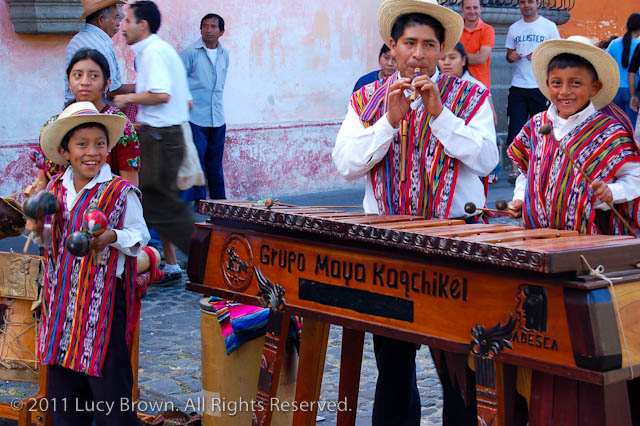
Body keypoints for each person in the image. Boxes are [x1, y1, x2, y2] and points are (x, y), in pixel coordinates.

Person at [332, 0, 498, 424]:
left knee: (459, 367)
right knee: (393, 365)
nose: (419, 54)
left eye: (429, 44)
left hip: (454, 248)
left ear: (442, 48)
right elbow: (347, 163)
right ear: (393, 45)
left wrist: (440, 114)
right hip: (391, 251)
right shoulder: (367, 99)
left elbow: (486, 159)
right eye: (410, 43)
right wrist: (388, 122)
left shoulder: (471, 96)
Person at [26, 101, 150, 425]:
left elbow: (141, 235)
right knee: (66, 411)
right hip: (60, 312)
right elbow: (48, 242)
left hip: (103, 315)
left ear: (109, 149)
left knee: (114, 412)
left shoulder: (121, 192)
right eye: (82, 144)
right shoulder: (54, 191)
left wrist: (112, 236)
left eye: (100, 144)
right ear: (66, 151)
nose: (92, 152)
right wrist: (37, 228)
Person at [507, 36, 640, 236]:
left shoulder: (610, 132)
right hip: (536, 235)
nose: (564, 92)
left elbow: (635, 176)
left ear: (595, 87)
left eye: (576, 83)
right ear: (547, 84)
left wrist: (612, 192)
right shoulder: (536, 125)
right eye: (556, 83)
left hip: (588, 240)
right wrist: (520, 197)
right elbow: (527, 173)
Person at [115, 0, 196, 256]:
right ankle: (195, 254)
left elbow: (162, 95)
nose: (122, 26)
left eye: (127, 21)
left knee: (158, 204)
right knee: (153, 202)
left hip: (163, 138)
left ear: (143, 24)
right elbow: (187, 102)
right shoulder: (157, 50)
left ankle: (202, 254)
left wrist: (127, 98)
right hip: (162, 135)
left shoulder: (152, 52)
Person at [33, 49, 140, 192]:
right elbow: (43, 181)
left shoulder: (120, 125)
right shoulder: (53, 125)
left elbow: (130, 185)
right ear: (69, 82)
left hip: (106, 206)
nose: (84, 82)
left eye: (94, 76)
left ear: (107, 83)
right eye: (77, 75)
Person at [505, 0, 560, 184]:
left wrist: (540, 56)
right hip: (518, 85)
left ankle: (542, 165)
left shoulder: (549, 26)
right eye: (522, 2)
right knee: (516, 127)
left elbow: (557, 55)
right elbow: (509, 54)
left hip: (541, 86)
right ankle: (515, 170)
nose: (526, 5)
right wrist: (511, 56)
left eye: (530, 1)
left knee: (542, 128)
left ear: (538, 3)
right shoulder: (514, 28)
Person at [180, 13, 230, 202]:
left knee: (215, 164)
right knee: (197, 162)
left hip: (217, 117)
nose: (208, 30)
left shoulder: (225, 54)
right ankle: (200, 203)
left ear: (221, 32)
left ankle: (220, 203)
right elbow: (177, 79)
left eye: (213, 26)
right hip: (195, 118)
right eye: (205, 26)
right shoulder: (191, 53)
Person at [439, 42, 499, 182]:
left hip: (468, 166)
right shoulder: (434, 87)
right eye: (442, 58)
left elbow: (493, 120)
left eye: (452, 58)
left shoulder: (475, 88)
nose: (447, 62)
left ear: (463, 60)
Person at [65, 0, 135, 105]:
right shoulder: (99, 45)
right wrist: (141, 87)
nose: (118, 23)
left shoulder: (80, 38)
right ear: (101, 19)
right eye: (115, 18)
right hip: (89, 110)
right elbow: (112, 91)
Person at [607, 13, 640, 127]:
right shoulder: (638, 45)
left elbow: (607, 64)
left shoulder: (613, 43)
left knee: (615, 125)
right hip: (633, 90)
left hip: (614, 89)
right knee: (629, 126)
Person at [459, 0, 494, 88]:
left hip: (480, 86)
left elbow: (481, 59)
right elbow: (445, 55)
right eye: (468, 8)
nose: (472, 11)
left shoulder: (487, 30)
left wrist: (456, 57)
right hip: (457, 84)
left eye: (475, 7)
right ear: (462, 9)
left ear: (480, 8)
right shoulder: (455, 29)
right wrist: (474, 56)